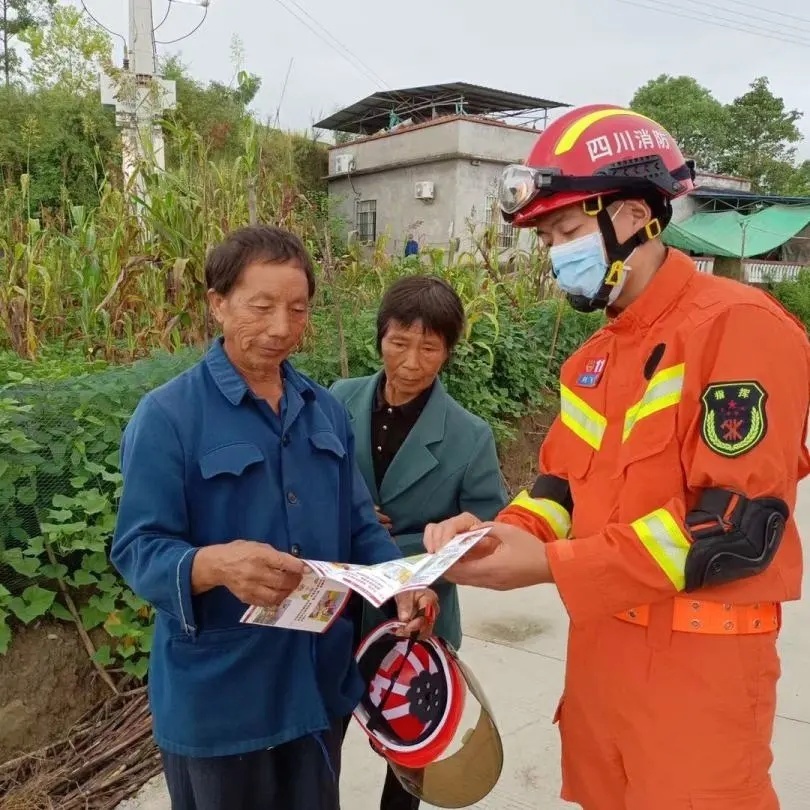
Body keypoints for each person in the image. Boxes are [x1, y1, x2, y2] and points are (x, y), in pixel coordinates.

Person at [423, 104, 810, 810]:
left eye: (567, 231)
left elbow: (738, 530)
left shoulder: (740, 330)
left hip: (701, 679)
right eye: (546, 237)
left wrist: (548, 565)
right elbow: (559, 487)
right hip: (605, 668)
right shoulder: (594, 361)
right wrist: (501, 533)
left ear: (633, 215)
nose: (554, 252)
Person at [110, 225, 438, 810]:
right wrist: (211, 563)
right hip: (221, 699)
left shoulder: (324, 412)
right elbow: (138, 548)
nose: (282, 328)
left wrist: (402, 584)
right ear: (218, 304)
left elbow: (361, 524)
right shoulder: (168, 418)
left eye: (298, 309)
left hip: (316, 686)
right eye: (261, 307)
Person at [330, 274, 508, 810]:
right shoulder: (339, 401)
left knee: (408, 756)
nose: (410, 362)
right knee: (320, 742)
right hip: (339, 611)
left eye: (429, 348)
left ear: (449, 352)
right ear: (380, 337)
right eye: (398, 342)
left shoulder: (468, 434)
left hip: (416, 618)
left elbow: (489, 524)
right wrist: (352, 516)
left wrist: (403, 542)